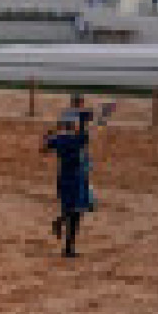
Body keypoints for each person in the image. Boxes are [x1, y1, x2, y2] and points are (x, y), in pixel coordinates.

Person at [42, 98, 114, 258]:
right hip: (77, 178)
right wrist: (103, 116)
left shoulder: (60, 139)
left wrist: (49, 135)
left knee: (70, 210)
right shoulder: (78, 139)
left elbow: (44, 148)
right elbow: (94, 129)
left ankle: (62, 229)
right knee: (77, 213)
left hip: (63, 178)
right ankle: (67, 245)